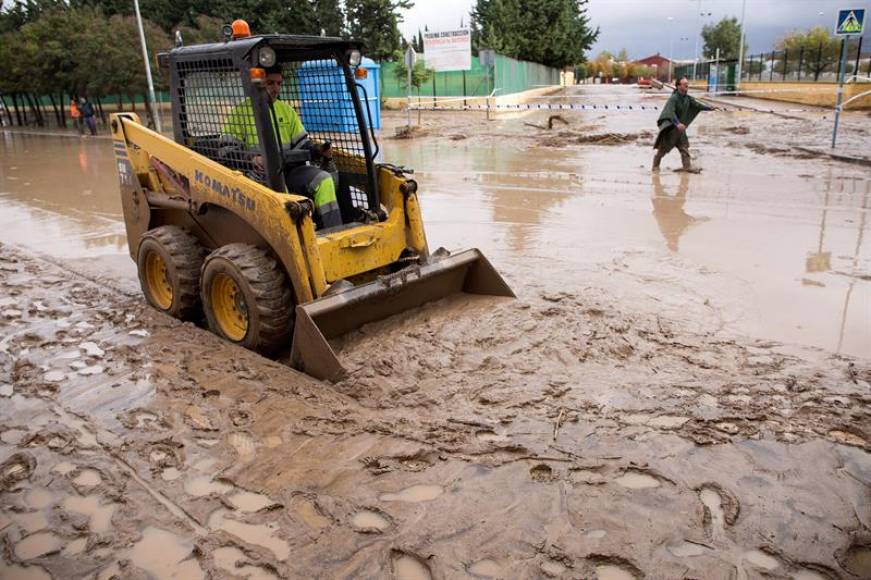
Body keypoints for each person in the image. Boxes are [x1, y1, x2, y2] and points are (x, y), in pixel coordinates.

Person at [222, 66, 341, 229]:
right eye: (270, 83)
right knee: (280, 189)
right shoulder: (241, 112)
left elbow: (302, 144)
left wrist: (319, 150)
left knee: (324, 179)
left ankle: (334, 230)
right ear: (258, 83)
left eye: (279, 83)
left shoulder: (287, 111)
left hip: (291, 170)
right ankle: (293, 236)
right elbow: (226, 150)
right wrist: (252, 158)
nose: (275, 88)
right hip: (260, 174)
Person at [652, 77, 715, 173]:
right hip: (672, 128)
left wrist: (709, 108)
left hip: (680, 130)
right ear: (678, 86)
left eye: (687, 84)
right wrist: (677, 123)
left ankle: (687, 166)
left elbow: (697, 105)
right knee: (663, 149)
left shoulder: (687, 98)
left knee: (684, 148)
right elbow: (670, 112)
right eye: (684, 84)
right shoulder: (673, 98)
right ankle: (655, 166)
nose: (687, 85)